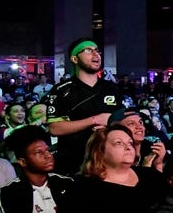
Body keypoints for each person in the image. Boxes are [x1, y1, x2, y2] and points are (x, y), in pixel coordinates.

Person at [44, 38, 122, 174]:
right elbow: (55, 128)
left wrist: (111, 124)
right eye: (88, 50)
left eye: (97, 51)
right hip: (74, 163)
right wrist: (94, 120)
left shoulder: (112, 88)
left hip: (109, 161)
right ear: (75, 59)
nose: (96, 54)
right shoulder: (61, 90)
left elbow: (123, 120)